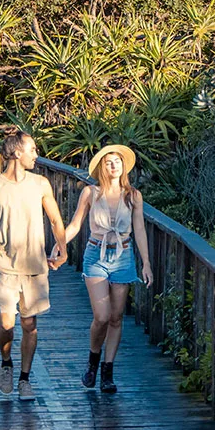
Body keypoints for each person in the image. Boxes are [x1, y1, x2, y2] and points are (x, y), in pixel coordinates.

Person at [0, 131, 67, 402]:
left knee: (29, 323)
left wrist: (62, 248)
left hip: (35, 265)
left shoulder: (40, 184)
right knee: (6, 323)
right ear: (16, 152)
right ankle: (6, 363)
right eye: (33, 149)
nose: (36, 154)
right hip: (2, 265)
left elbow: (56, 220)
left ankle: (24, 378)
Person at [65, 144, 151, 393]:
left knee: (116, 317)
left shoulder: (133, 195)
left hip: (123, 256)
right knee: (101, 316)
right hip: (96, 255)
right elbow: (76, 224)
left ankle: (107, 371)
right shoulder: (91, 193)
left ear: (124, 166)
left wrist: (146, 263)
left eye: (117, 161)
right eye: (108, 162)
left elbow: (140, 229)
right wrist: (59, 245)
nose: (113, 166)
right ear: (102, 167)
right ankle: (92, 361)